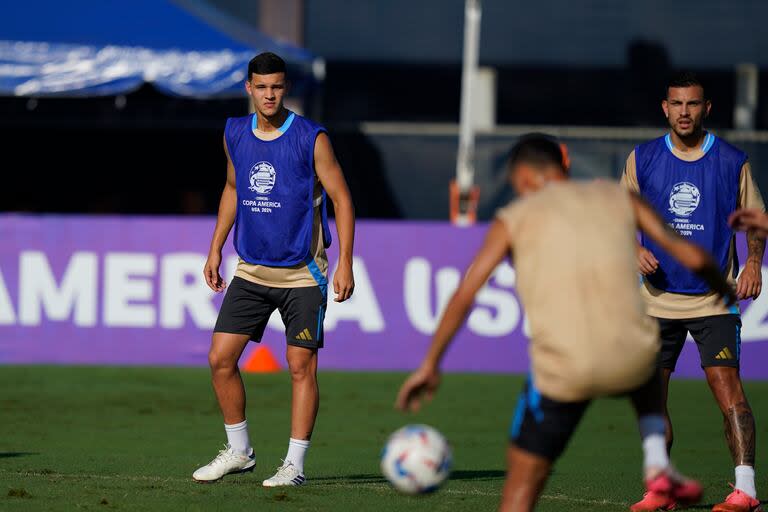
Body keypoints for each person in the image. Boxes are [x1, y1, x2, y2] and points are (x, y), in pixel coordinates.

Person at [396, 134, 735, 512]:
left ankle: (655, 462)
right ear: (565, 165)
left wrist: (430, 364)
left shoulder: (515, 218)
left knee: (521, 484)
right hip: (635, 356)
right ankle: (656, 459)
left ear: (523, 178)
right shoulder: (616, 197)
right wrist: (724, 289)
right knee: (644, 362)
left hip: (564, 368)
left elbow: (466, 293)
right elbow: (691, 254)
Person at [192, 52, 355, 486]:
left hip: (303, 274)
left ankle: (294, 467)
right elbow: (231, 188)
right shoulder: (234, 133)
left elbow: (342, 198)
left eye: (277, 87)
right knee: (219, 359)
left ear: (286, 88)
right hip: (250, 271)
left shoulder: (311, 137)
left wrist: (345, 264)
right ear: (249, 87)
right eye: (262, 87)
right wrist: (214, 249)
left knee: (300, 367)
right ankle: (239, 451)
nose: (270, 95)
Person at [621, 72, 764, 512]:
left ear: (707, 109)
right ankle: (660, 488)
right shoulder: (642, 158)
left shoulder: (731, 160)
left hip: (713, 301)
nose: (685, 112)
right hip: (654, 300)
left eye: (693, 104)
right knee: (652, 398)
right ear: (665, 108)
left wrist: (755, 262)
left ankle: (746, 491)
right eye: (677, 104)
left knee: (729, 391)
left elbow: (755, 218)